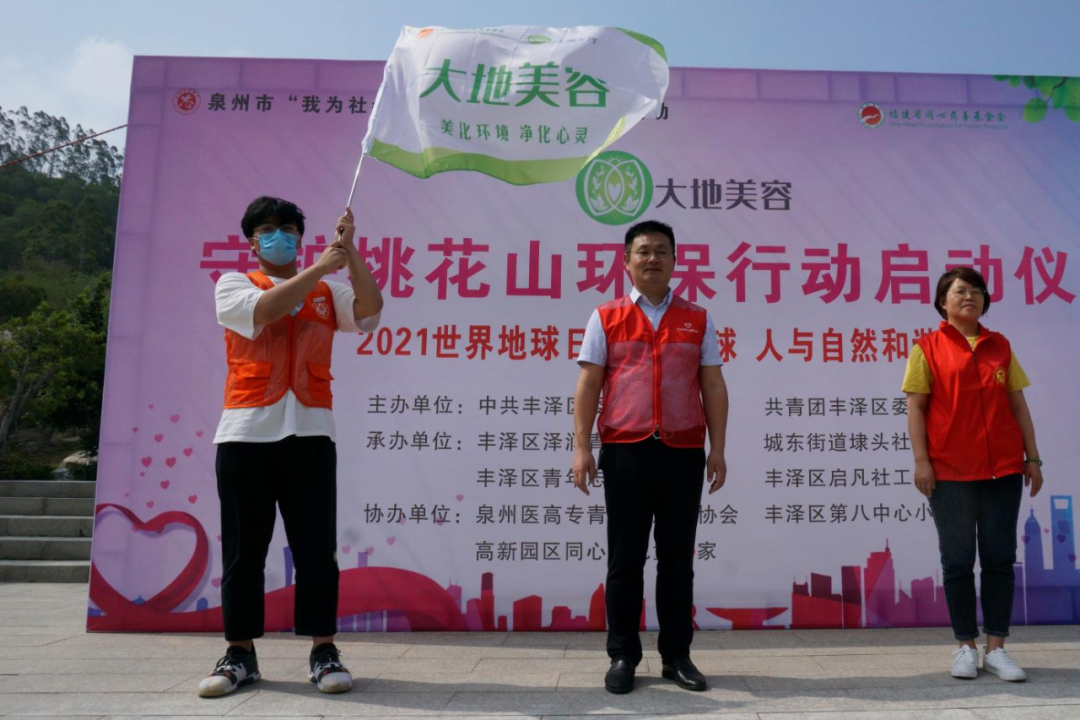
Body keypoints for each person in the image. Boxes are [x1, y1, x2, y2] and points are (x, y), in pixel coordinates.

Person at [198, 197, 383, 698]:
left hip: (311, 433)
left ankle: (324, 650)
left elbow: (370, 310)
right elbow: (267, 310)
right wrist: (320, 267)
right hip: (245, 435)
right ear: (252, 241)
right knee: (244, 552)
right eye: (267, 229)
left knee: (316, 551)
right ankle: (239, 653)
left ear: (300, 238)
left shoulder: (328, 292)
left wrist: (349, 253)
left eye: (287, 229)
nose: (278, 236)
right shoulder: (234, 284)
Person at [572, 219, 729, 694]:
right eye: (643, 251)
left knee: (678, 560)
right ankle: (623, 655)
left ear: (675, 261)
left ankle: (676, 656)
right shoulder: (606, 316)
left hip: (683, 452)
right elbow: (589, 384)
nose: (653, 259)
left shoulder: (697, 318)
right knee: (625, 560)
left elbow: (713, 385)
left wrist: (718, 448)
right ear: (626, 262)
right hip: (626, 451)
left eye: (662, 251)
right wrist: (582, 447)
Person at [904, 267, 1044, 682]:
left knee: (1000, 559)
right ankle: (965, 645)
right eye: (960, 291)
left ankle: (997, 649)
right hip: (950, 471)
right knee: (958, 561)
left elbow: (1017, 405)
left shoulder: (1000, 346)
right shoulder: (926, 348)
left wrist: (1033, 458)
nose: (970, 296)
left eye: (977, 291)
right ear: (942, 302)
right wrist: (922, 461)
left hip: (1003, 469)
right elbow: (916, 408)